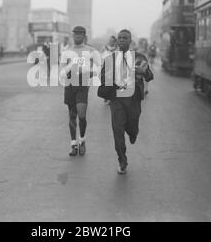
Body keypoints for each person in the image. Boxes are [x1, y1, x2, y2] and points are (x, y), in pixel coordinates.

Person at [100, 29, 151, 174]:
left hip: (133, 100)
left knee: (132, 127)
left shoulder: (139, 57)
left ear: (130, 41)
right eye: (119, 38)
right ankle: (122, 161)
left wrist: (143, 72)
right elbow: (103, 77)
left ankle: (133, 133)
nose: (121, 40)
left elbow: (149, 76)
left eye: (125, 38)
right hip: (116, 99)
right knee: (118, 131)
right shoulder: (110, 59)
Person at [60, 26, 100, 157]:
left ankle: (82, 140)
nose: (77, 36)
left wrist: (90, 72)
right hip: (70, 85)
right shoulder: (67, 52)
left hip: (82, 85)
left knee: (81, 115)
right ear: (73, 35)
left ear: (84, 36)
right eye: (75, 34)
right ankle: (73, 145)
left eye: (80, 34)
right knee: (72, 116)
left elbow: (98, 67)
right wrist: (67, 70)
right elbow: (61, 70)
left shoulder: (91, 50)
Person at [101, 36, 117, 104]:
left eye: (112, 40)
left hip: (112, 67)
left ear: (115, 42)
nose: (111, 41)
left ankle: (110, 98)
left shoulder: (117, 48)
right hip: (104, 66)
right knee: (104, 82)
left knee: (111, 82)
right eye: (110, 40)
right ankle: (105, 96)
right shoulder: (104, 47)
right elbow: (101, 55)